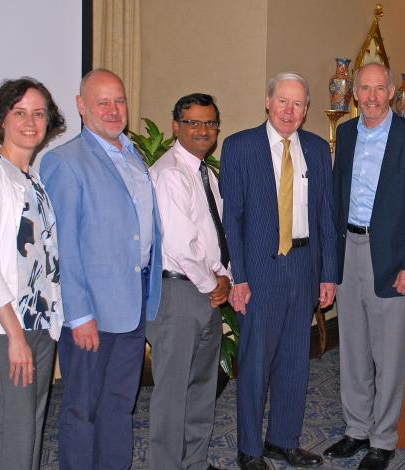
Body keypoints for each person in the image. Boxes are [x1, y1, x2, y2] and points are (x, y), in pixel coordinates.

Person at [40, 68, 163, 469]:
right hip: (91, 311)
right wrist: (79, 315)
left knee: (118, 405)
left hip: (132, 303)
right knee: (83, 408)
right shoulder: (64, 161)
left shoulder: (132, 155)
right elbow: (64, 249)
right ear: (81, 106)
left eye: (119, 101)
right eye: (102, 102)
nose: (113, 110)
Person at [219, 72, 337, 470]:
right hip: (258, 273)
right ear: (267, 102)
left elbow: (326, 217)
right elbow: (231, 218)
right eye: (282, 101)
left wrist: (327, 274)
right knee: (254, 365)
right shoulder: (240, 146)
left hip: (304, 268)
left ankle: (283, 440)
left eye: (298, 103)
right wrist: (239, 277)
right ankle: (249, 449)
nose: (290, 110)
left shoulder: (319, 150)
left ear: (306, 110)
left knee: (294, 362)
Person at [324, 62, 405, 470]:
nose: (371, 97)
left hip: (391, 258)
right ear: (354, 93)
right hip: (350, 248)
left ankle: (383, 438)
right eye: (364, 89)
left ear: (391, 92)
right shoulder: (348, 133)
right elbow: (337, 197)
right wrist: (330, 264)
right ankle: (356, 429)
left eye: (378, 89)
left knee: (389, 353)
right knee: (352, 345)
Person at [0, 77, 65, 469]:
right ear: (1, 119)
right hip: (5, 328)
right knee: (18, 432)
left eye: (38, 113)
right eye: (19, 112)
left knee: (29, 427)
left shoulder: (29, 178)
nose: (30, 121)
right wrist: (15, 336)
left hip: (36, 323)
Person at [147, 93, 229, 470]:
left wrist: (224, 276)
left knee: (201, 388)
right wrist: (213, 284)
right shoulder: (168, 174)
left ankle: (194, 462)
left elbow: (212, 234)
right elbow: (180, 244)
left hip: (204, 291)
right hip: (178, 292)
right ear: (175, 127)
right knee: (172, 392)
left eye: (209, 123)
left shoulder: (204, 173)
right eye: (193, 122)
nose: (203, 130)